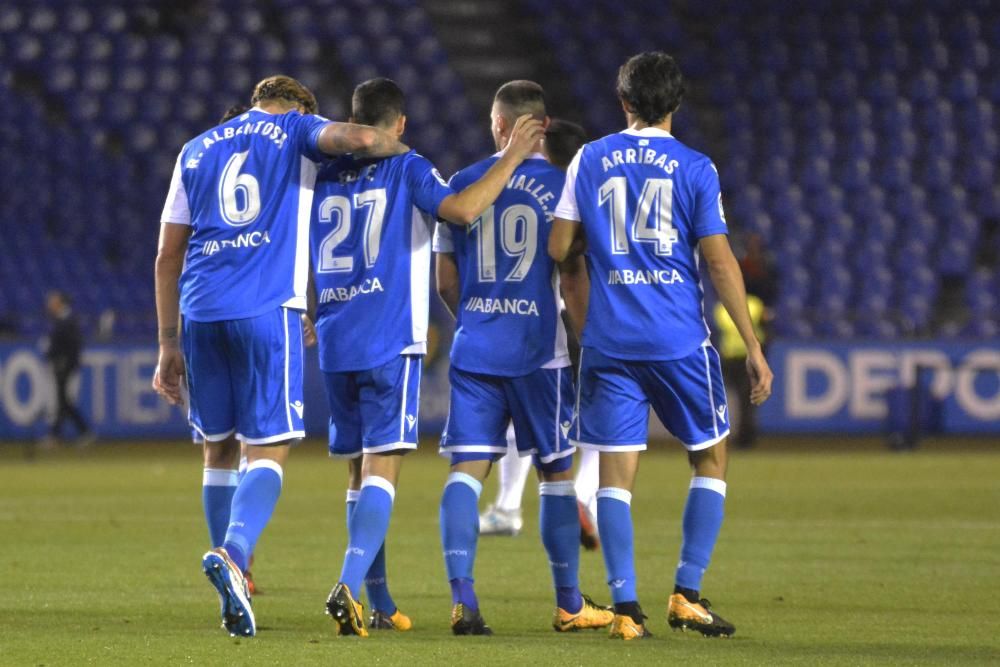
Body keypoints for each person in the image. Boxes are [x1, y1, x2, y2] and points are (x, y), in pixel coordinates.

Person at [152, 75, 408, 638]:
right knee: (269, 448)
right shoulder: (296, 129)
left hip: (198, 311)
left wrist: (168, 343)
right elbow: (359, 141)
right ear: (301, 106)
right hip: (267, 309)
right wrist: (395, 146)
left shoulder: (195, 148)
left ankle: (236, 571)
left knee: (217, 450)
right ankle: (236, 555)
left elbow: (168, 256)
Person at [549, 52, 773, 640]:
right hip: (677, 339)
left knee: (615, 476)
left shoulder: (589, 158)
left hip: (610, 341)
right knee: (710, 457)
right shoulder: (696, 167)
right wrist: (751, 342)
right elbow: (718, 260)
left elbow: (558, 247)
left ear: (623, 102)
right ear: (675, 104)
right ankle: (687, 592)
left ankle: (625, 610)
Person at [316, 77, 546, 638]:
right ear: (400, 124)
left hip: (333, 334)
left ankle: (380, 600)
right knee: (384, 471)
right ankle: (347, 583)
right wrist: (514, 154)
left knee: (356, 473)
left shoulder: (325, 172)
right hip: (387, 339)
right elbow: (463, 211)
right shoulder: (409, 166)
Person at [435, 81, 614, 636]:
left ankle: (463, 596)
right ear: (542, 124)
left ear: (498, 124)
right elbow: (574, 274)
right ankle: (568, 602)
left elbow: (446, 281)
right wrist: (589, 344)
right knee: (557, 476)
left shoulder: (462, 184)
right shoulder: (564, 186)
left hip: (476, 352)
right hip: (542, 355)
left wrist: (479, 321)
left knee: (466, 474)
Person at [478, 118, 601, 551]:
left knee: (518, 421)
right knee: (604, 422)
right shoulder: (588, 194)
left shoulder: (536, 192)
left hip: (535, 321)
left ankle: (508, 507)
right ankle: (585, 500)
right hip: (588, 322)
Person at [42, 290, 94, 447]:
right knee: (63, 401)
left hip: (65, 367)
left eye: (53, 300)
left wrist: (66, 363)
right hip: (62, 367)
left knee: (63, 401)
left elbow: (73, 346)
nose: (49, 304)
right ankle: (65, 433)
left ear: (60, 303)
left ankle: (60, 434)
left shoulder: (68, 320)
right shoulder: (61, 320)